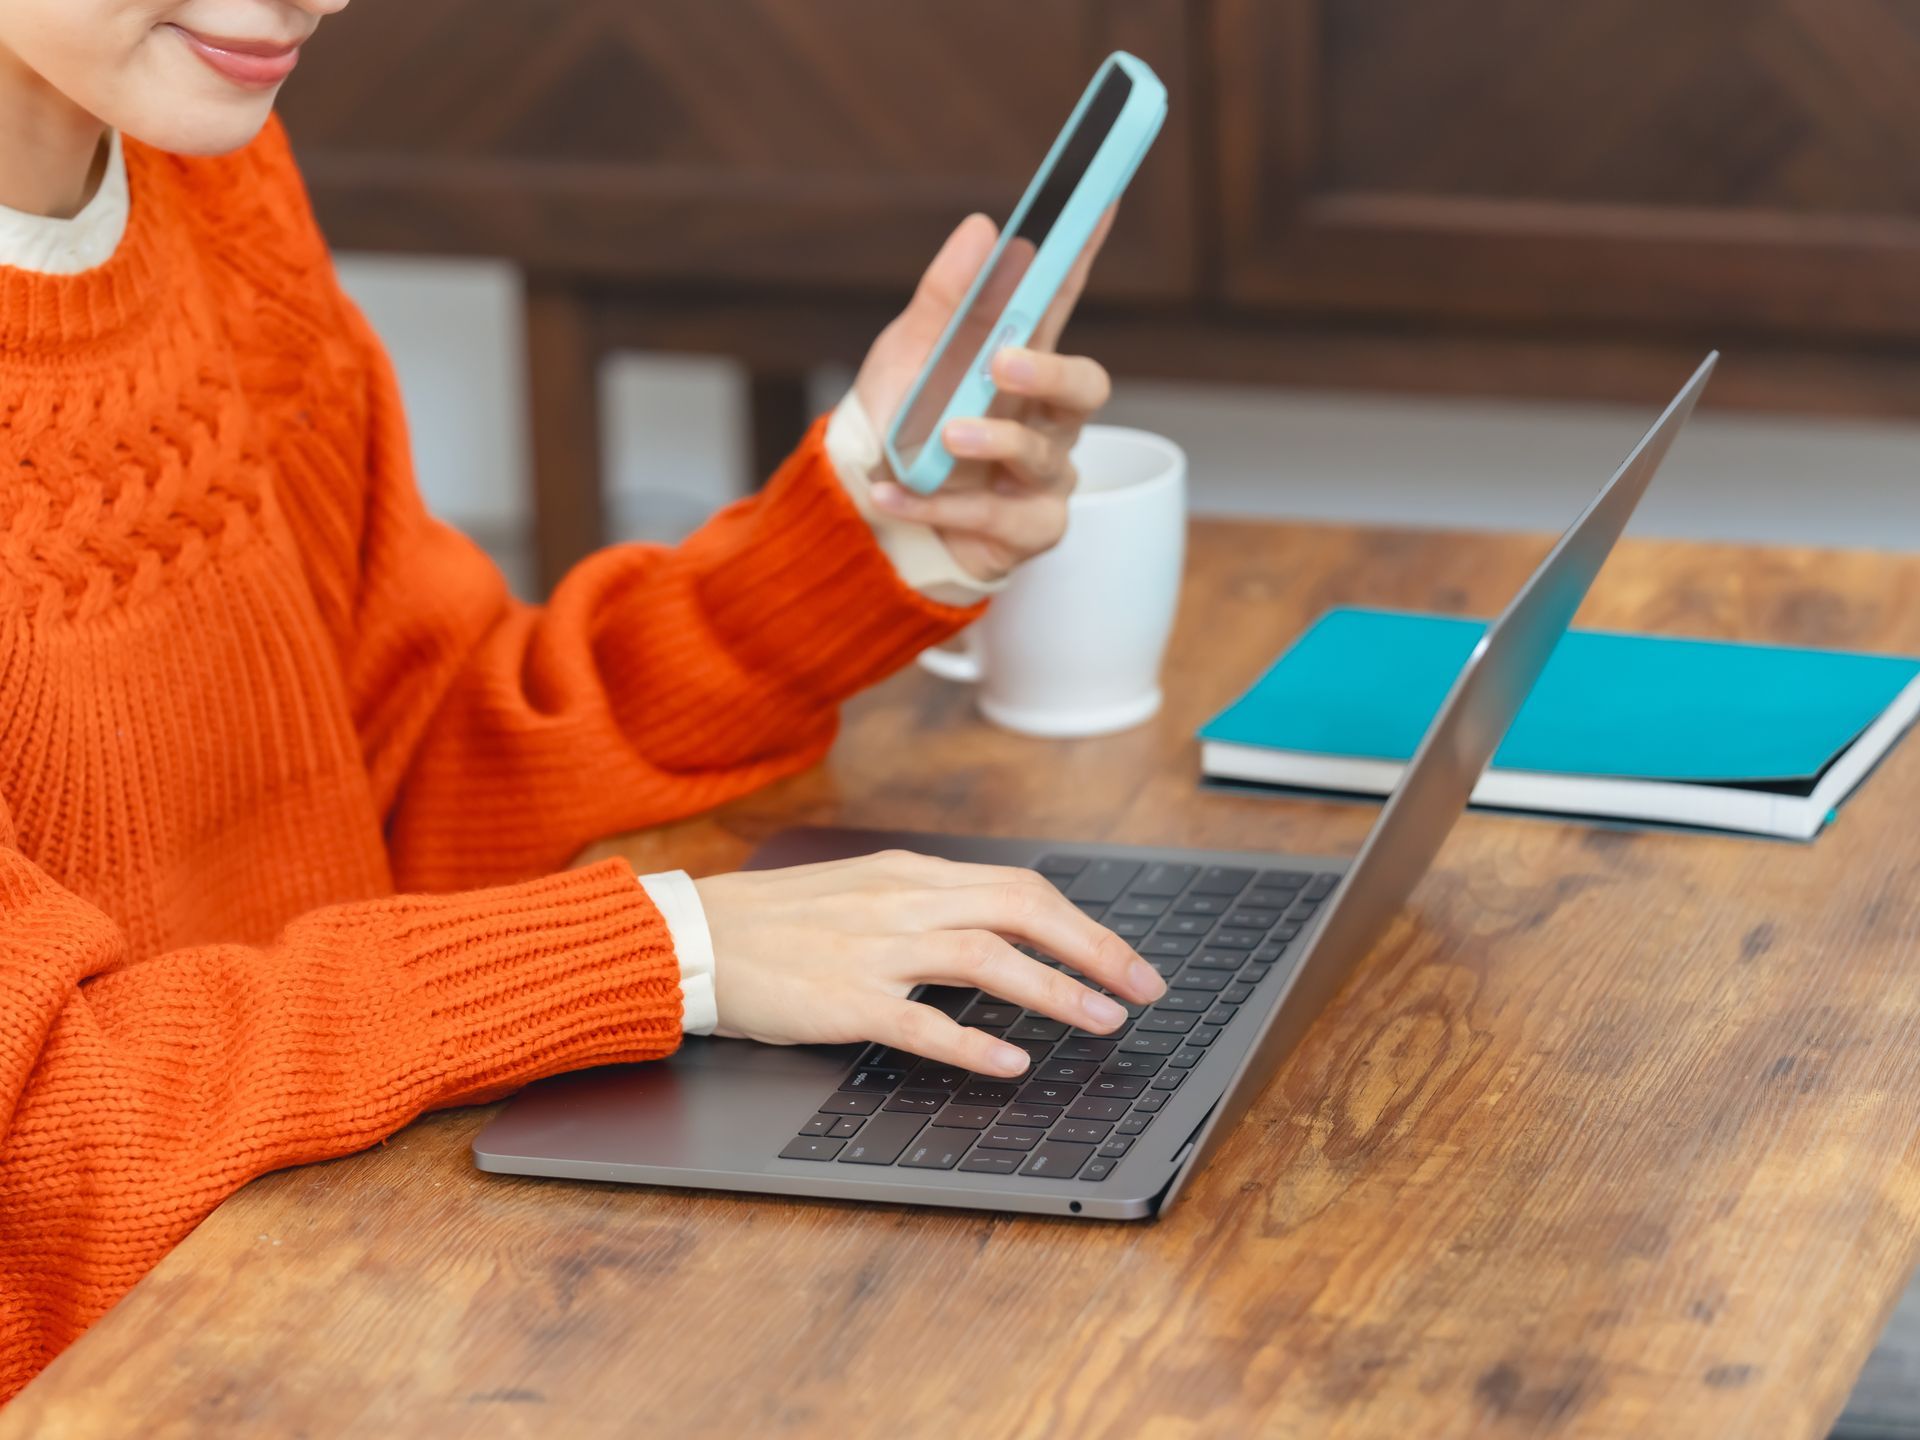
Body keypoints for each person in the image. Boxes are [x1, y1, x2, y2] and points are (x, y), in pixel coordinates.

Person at [0, 0, 1167, 1401]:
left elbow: (415, 760)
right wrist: (666, 954)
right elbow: (45, 1144)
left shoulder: (209, 177)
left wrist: (855, 534)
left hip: (333, 1270)